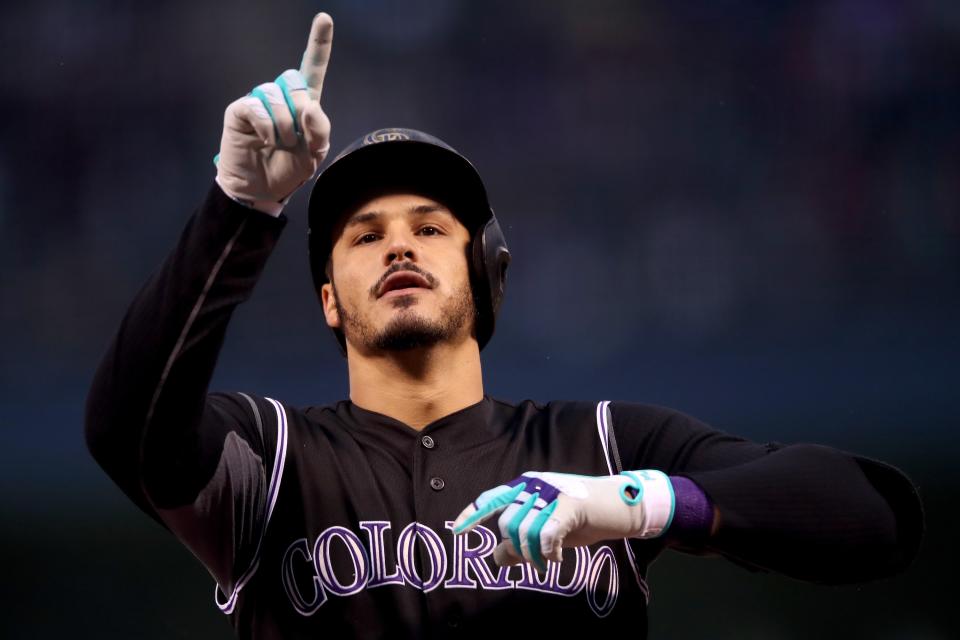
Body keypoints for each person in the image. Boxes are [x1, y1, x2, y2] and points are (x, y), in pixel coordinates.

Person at [85, 12, 923, 640]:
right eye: (365, 236)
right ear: (329, 300)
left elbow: (873, 518)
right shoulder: (270, 463)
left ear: (486, 275)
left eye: (431, 227)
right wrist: (241, 206)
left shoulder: (598, 447)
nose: (399, 246)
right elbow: (126, 428)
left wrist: (638, 500)